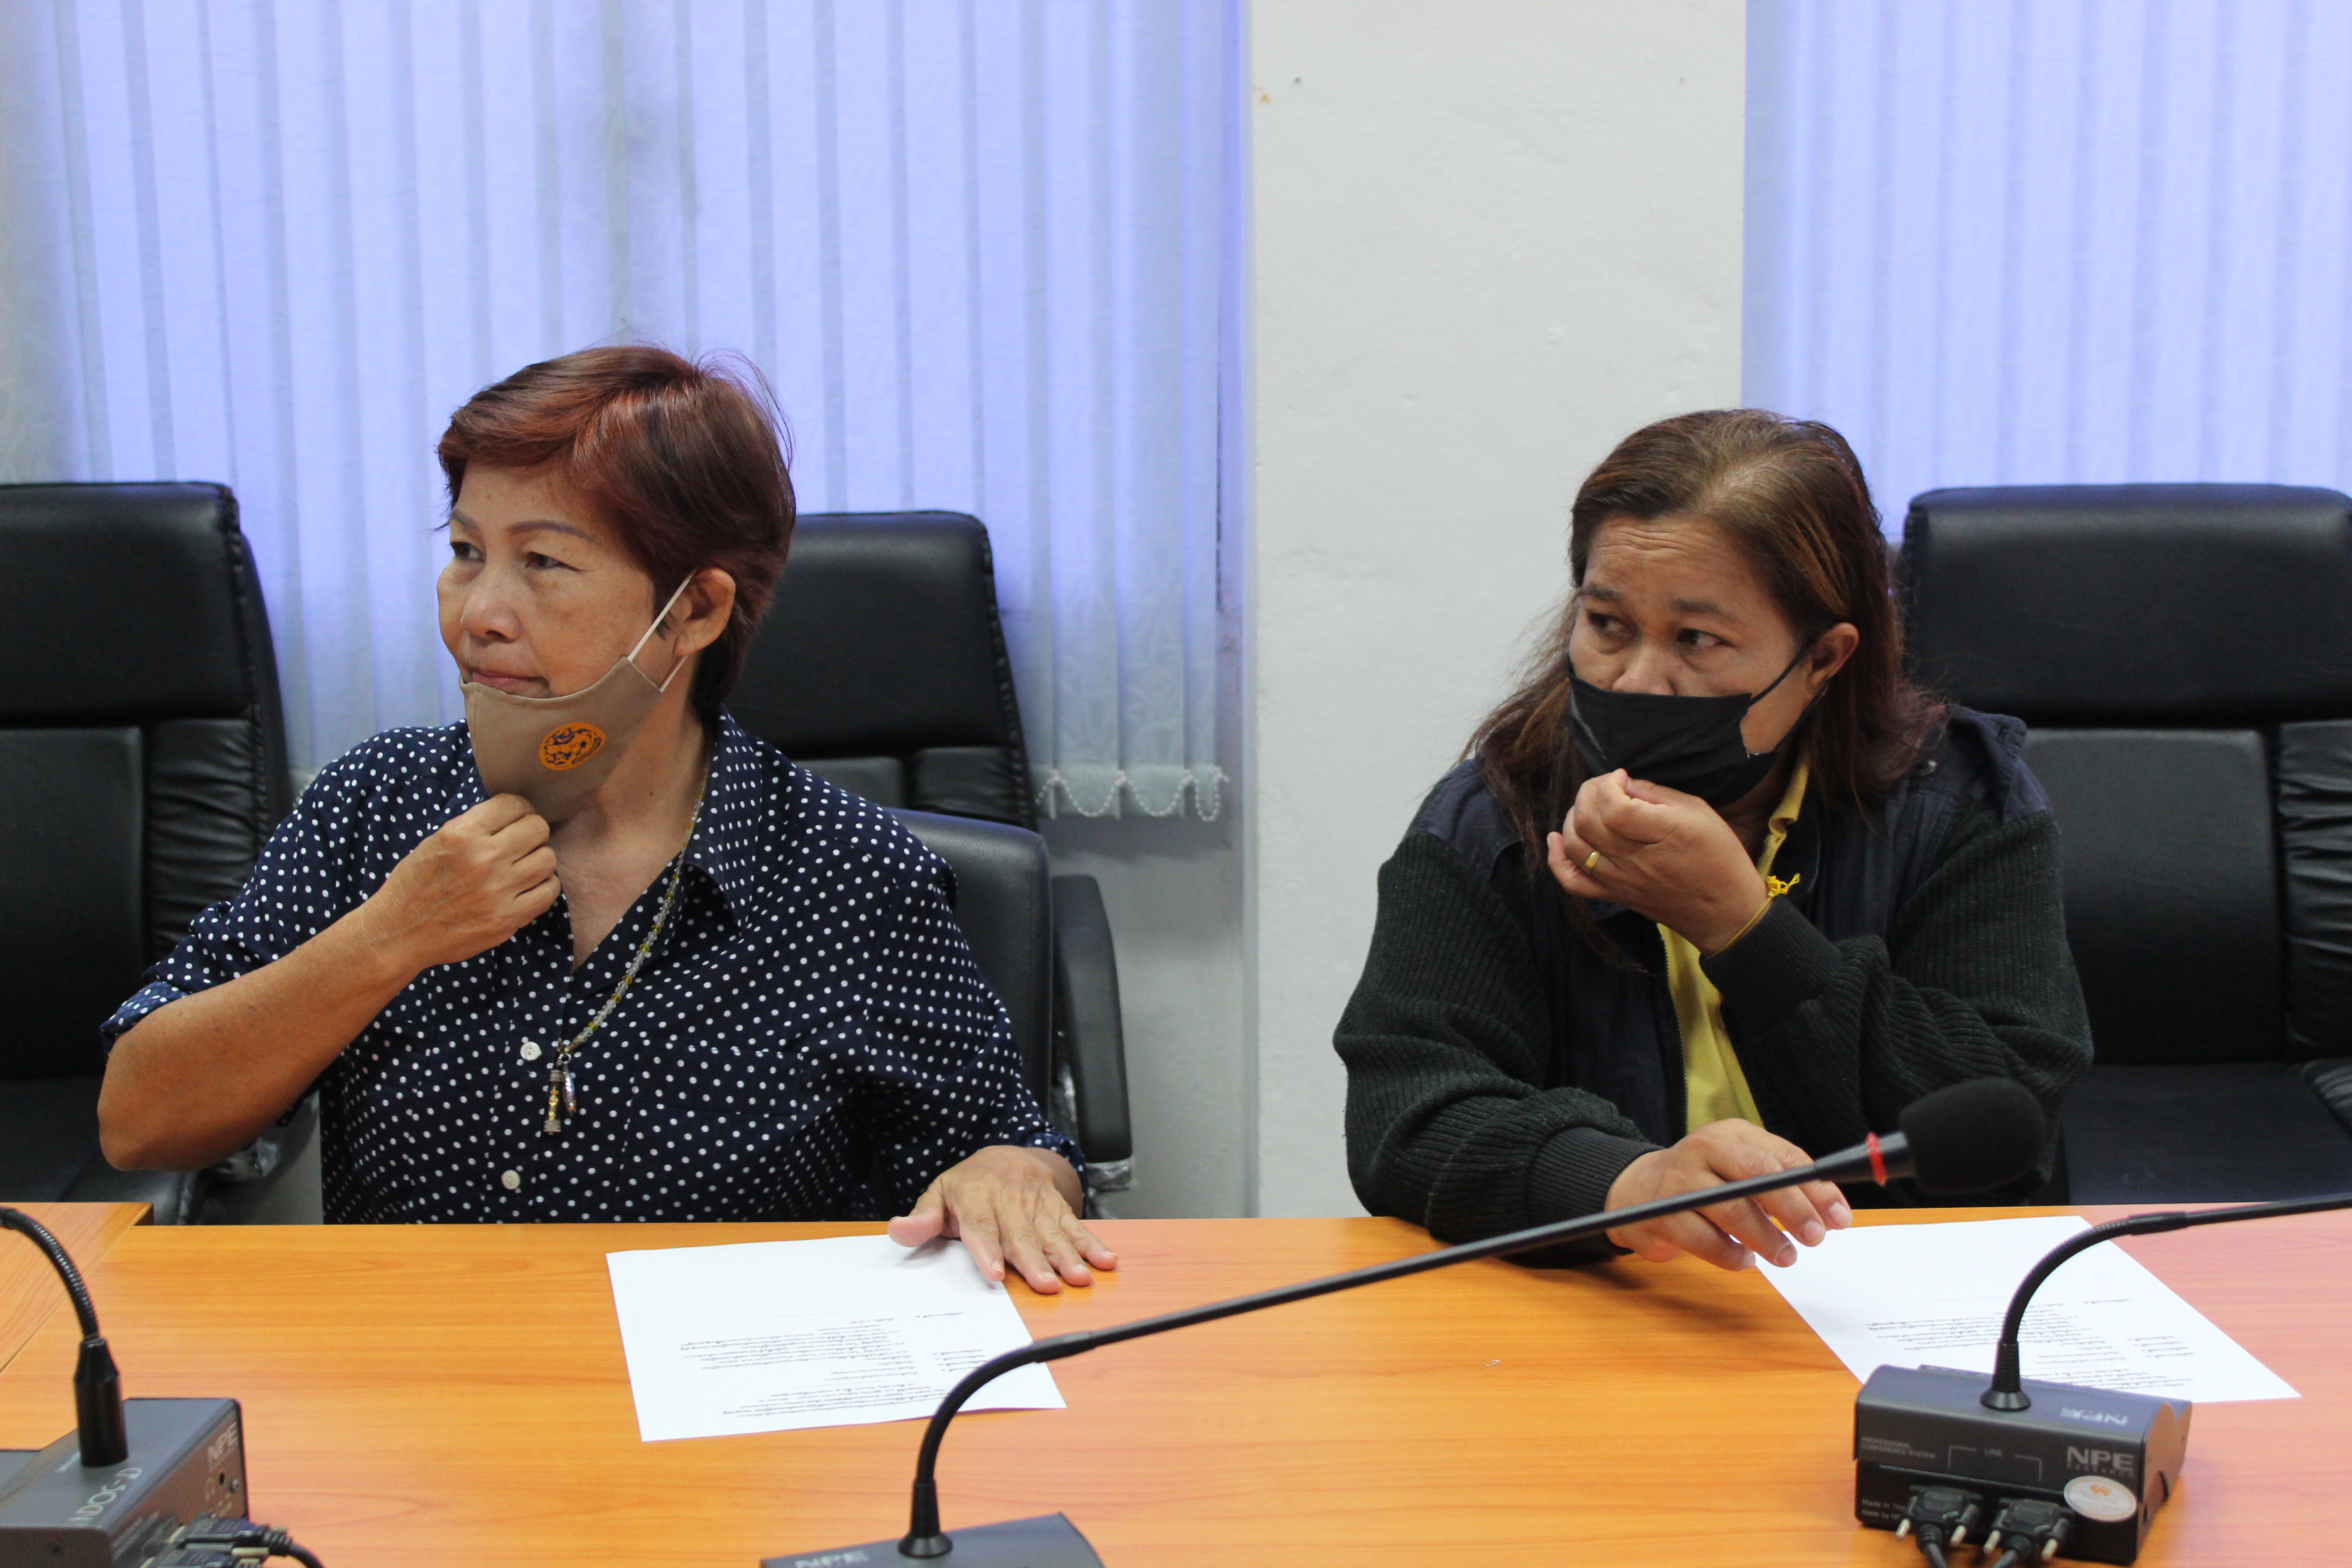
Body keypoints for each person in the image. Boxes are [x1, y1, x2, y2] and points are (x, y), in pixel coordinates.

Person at [98, 346, 1113, 1294]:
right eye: (464, 551)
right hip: (419, 1405)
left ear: (696, 613)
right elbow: (140, 1119)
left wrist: (1011, 1176)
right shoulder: (380, 803)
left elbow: (1016, 1150)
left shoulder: (847, 872)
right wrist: (389, 937)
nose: (477, 612)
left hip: (737, 1425)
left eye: (542, 562)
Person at [1335, 409, 2089, 1271]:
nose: (1638, 679)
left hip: (1888, 1296)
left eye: (1697, 639)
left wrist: (1747, 931)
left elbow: (2002, 1121)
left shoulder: (1957, 804)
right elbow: (1408, 1115)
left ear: (1824, 660)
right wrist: (1631, 1187)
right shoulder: (1496, 818)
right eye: (1608, 624)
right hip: (1611, 1302)